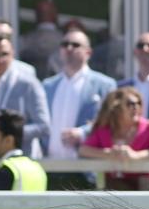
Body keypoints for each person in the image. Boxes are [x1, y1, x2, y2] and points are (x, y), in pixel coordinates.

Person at [41, 29, 116, 160]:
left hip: (85, 163)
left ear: (88, 52)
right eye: (65, 44)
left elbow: (111, 121)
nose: (69, 48)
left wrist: (82, 133)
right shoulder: (48, 86)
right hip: (49, 162)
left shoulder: (105, 85)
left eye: (75, 45)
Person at [0, 34, 50, 158]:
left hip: (17, 161)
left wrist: (11, 134)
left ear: (12, 55)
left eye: (4, 54)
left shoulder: (28, 84)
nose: (0, 59)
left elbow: (44, 127)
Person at [79, 87, 149, 190]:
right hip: (114, 186)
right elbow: (83, 150)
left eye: (139, 103)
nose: (136, 107)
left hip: (145, 186)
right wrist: (109, 153)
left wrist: (136, 155)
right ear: (118, 108)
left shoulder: (148, 127)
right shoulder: (104, 129)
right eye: (130, 103)